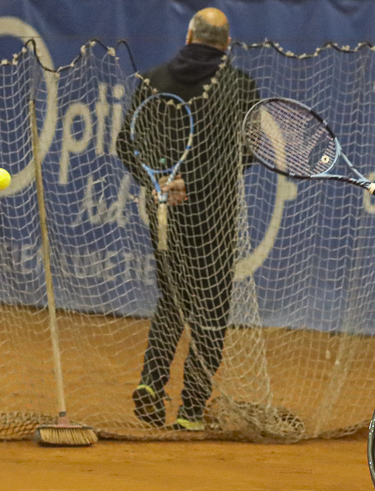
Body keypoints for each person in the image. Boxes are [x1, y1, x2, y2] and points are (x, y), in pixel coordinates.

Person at [116, 8, 260, 431]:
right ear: (227, 44)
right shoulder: (239, 85)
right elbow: (247, 152)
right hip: (214, 212)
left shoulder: (152, 80)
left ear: (189, 35)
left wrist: (160, 181)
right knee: (211, 309)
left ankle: (150, 383)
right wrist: (195, 184)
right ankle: (191, 410)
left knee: (173, 298)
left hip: (164, 208)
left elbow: (127, 144)